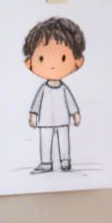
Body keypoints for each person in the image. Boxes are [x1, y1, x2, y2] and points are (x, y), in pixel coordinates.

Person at [22, 16, 85, 173]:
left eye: (63, 58)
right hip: (45, 121)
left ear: (78, 62)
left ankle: (65, 161)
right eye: (42, 58)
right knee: (45, 141)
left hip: (63, 119)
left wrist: (75, 114)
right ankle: (46, 163)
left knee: (64, 140)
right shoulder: (43, 90)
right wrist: (33, 115)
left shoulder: (64, 89)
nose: (51, 65)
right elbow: (36, 104)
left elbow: (70, 102)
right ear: (29, 63)